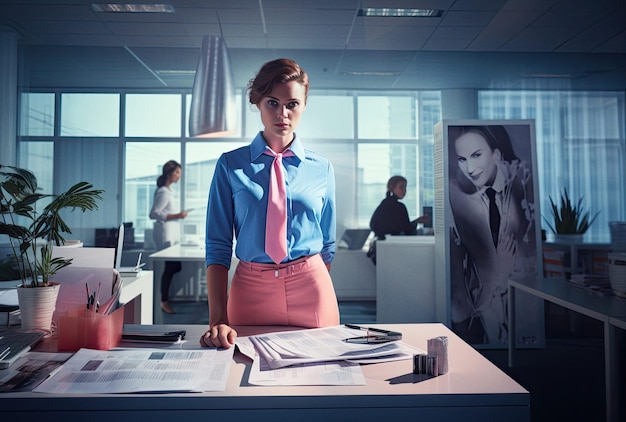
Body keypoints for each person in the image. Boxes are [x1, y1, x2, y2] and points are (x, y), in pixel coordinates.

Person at [199, 58, 339, 349]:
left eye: (292, 104)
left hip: (311, 287)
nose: (283, 113)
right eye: (272, 103)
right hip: (251, 289)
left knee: (321, 379)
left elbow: (328, 243)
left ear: (303, 105)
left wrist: (313, 282)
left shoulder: (321, 168)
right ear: (258, 103)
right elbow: (218, 244)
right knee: (242, 377)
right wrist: (217, 319)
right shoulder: (230, 165)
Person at [447, 125, 536, 345]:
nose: (470, 168)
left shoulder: (520, 192)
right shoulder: (463, 201)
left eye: (476, 155)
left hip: (519, 305)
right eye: (462, 159)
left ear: (496, 154)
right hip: (485, 308)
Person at [149, 160, 188, 314]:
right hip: (164, 234)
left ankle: (163, 299)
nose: (179, 176)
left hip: (170, 234)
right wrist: (178, 215)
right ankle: (163, 301)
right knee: (171, 267)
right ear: (169, 173)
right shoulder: (163, 191)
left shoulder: (168, 191)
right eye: (177, 172)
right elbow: (153, 213)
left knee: (174, 266)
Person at [369, 175, 430, 240]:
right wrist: (417, 221)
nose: (404, 191)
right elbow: (407, 230)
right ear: (392, 188)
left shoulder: (383, 204)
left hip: (381, 244)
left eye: (405, 187)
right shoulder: (400, 207)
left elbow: (373, 225)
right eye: (401, 187)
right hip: (396, 243)